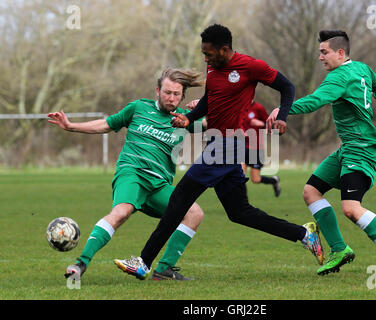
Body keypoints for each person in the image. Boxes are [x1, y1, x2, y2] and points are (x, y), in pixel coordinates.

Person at [114, 24, 325, 280]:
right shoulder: (213, 67)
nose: (205, 59)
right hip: (217, 143)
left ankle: (143, 262)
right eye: (204, 54)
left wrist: (282, 115)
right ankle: (304, 235)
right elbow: (210, 98)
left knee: (179, 198)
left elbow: (287, 87)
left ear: (225, 50)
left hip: (229, 145)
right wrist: (189, 117)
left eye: (209, 54)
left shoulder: (251, 66)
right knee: (240, 212)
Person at [267, 30, 376, 280]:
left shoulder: (339, 77)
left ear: (340, 53)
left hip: (362, 148)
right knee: (311, 192)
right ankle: (339, 249)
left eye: (324, 52)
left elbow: (315, 101)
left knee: (351, 208)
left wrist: (283, 110)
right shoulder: (362, 68)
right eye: (320, 52)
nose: (320, 57)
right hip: (348, 148)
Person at [48, 68, 206, 281]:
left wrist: (204, 109)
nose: (171, 98)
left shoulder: (184, 120)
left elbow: (217, 125)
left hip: (159, 185)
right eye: (167, 92)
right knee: (122, 212)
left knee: (194, 213)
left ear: (183, 96)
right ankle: (81, 264)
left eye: (176, 94)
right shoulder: (139, 107)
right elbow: (107, 124)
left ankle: (164, 270)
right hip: (132, 173)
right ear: (157, 90)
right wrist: (71, 126)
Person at [241, 100, 281, 197]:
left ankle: (274, 181)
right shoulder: (240, 106)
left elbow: (270, 125)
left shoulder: (259, 108)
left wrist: (261, 124)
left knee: (256, 179)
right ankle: (242, 203)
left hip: (256, 149)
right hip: (242, 147)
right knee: (239, 177)